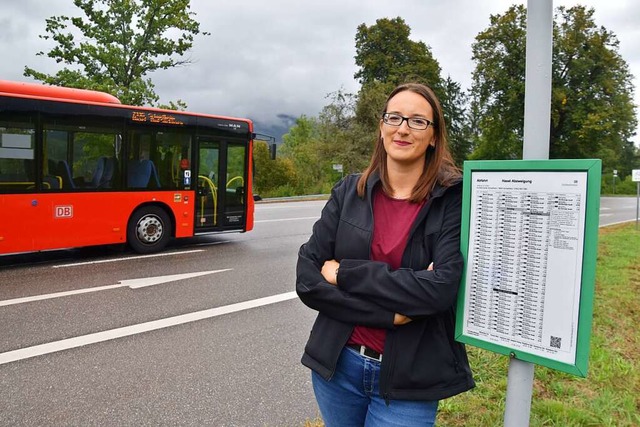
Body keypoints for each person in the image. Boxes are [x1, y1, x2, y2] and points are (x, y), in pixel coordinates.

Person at [296, 82, 475, 426]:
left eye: (417, 121)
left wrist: (345, 273)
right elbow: (307, 279)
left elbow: (439, 290)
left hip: (410, 380)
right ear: (381, 128)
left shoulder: (452, 198)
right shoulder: (350, 191)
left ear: (434, 136)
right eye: (394, 117)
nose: (403, 128)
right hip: (338, 368)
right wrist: (389, 315)